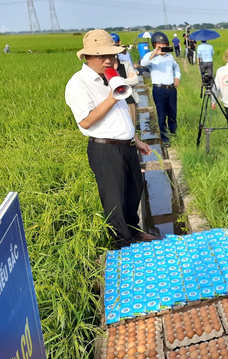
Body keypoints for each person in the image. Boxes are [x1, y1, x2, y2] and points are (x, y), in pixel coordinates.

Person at [64, 29, 155, 248]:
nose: (108, 60)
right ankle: (122, 243)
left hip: (127, 145)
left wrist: (136, 140)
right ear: (87, 57)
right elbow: (86, 122)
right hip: (105, 149)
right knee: (114, 198)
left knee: (134, 190)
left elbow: (122, 115)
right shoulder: (79, 83)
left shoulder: (110, 77)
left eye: (112, 55)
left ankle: (134, 231)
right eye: (101, 56)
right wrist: (112, 97)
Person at [140, 32, 181, 147]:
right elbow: (143, 64)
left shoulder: (170, 56)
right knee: (162, 114)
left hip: (171, 89)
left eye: (164, 43)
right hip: (159, 90)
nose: (162, 45)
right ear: (154, 44)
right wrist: (155, 53)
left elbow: (176, 67)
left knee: (173, 114)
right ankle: (165, 138)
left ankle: (173, 135)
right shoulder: (150, 56)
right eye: (159, 44)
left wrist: (177, 77)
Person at [111, 33, 140, 127]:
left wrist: (117, 81)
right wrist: (126, 80)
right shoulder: (106, 68)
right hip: (113, 104)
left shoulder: (125, 64)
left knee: (132, 127)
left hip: (129, 100)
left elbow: (135, 80)